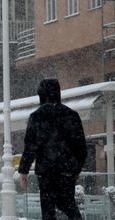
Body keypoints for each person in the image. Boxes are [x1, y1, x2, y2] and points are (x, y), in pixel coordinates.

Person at [18, 78, 87, 220]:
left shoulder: (37, 117)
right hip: (67, 171)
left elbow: (30, 146)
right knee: (68, 204)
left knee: (48, 209)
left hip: (46, 172)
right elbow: (81, 146)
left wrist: (24, 170)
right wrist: (76, 168)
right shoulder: (71, 115)